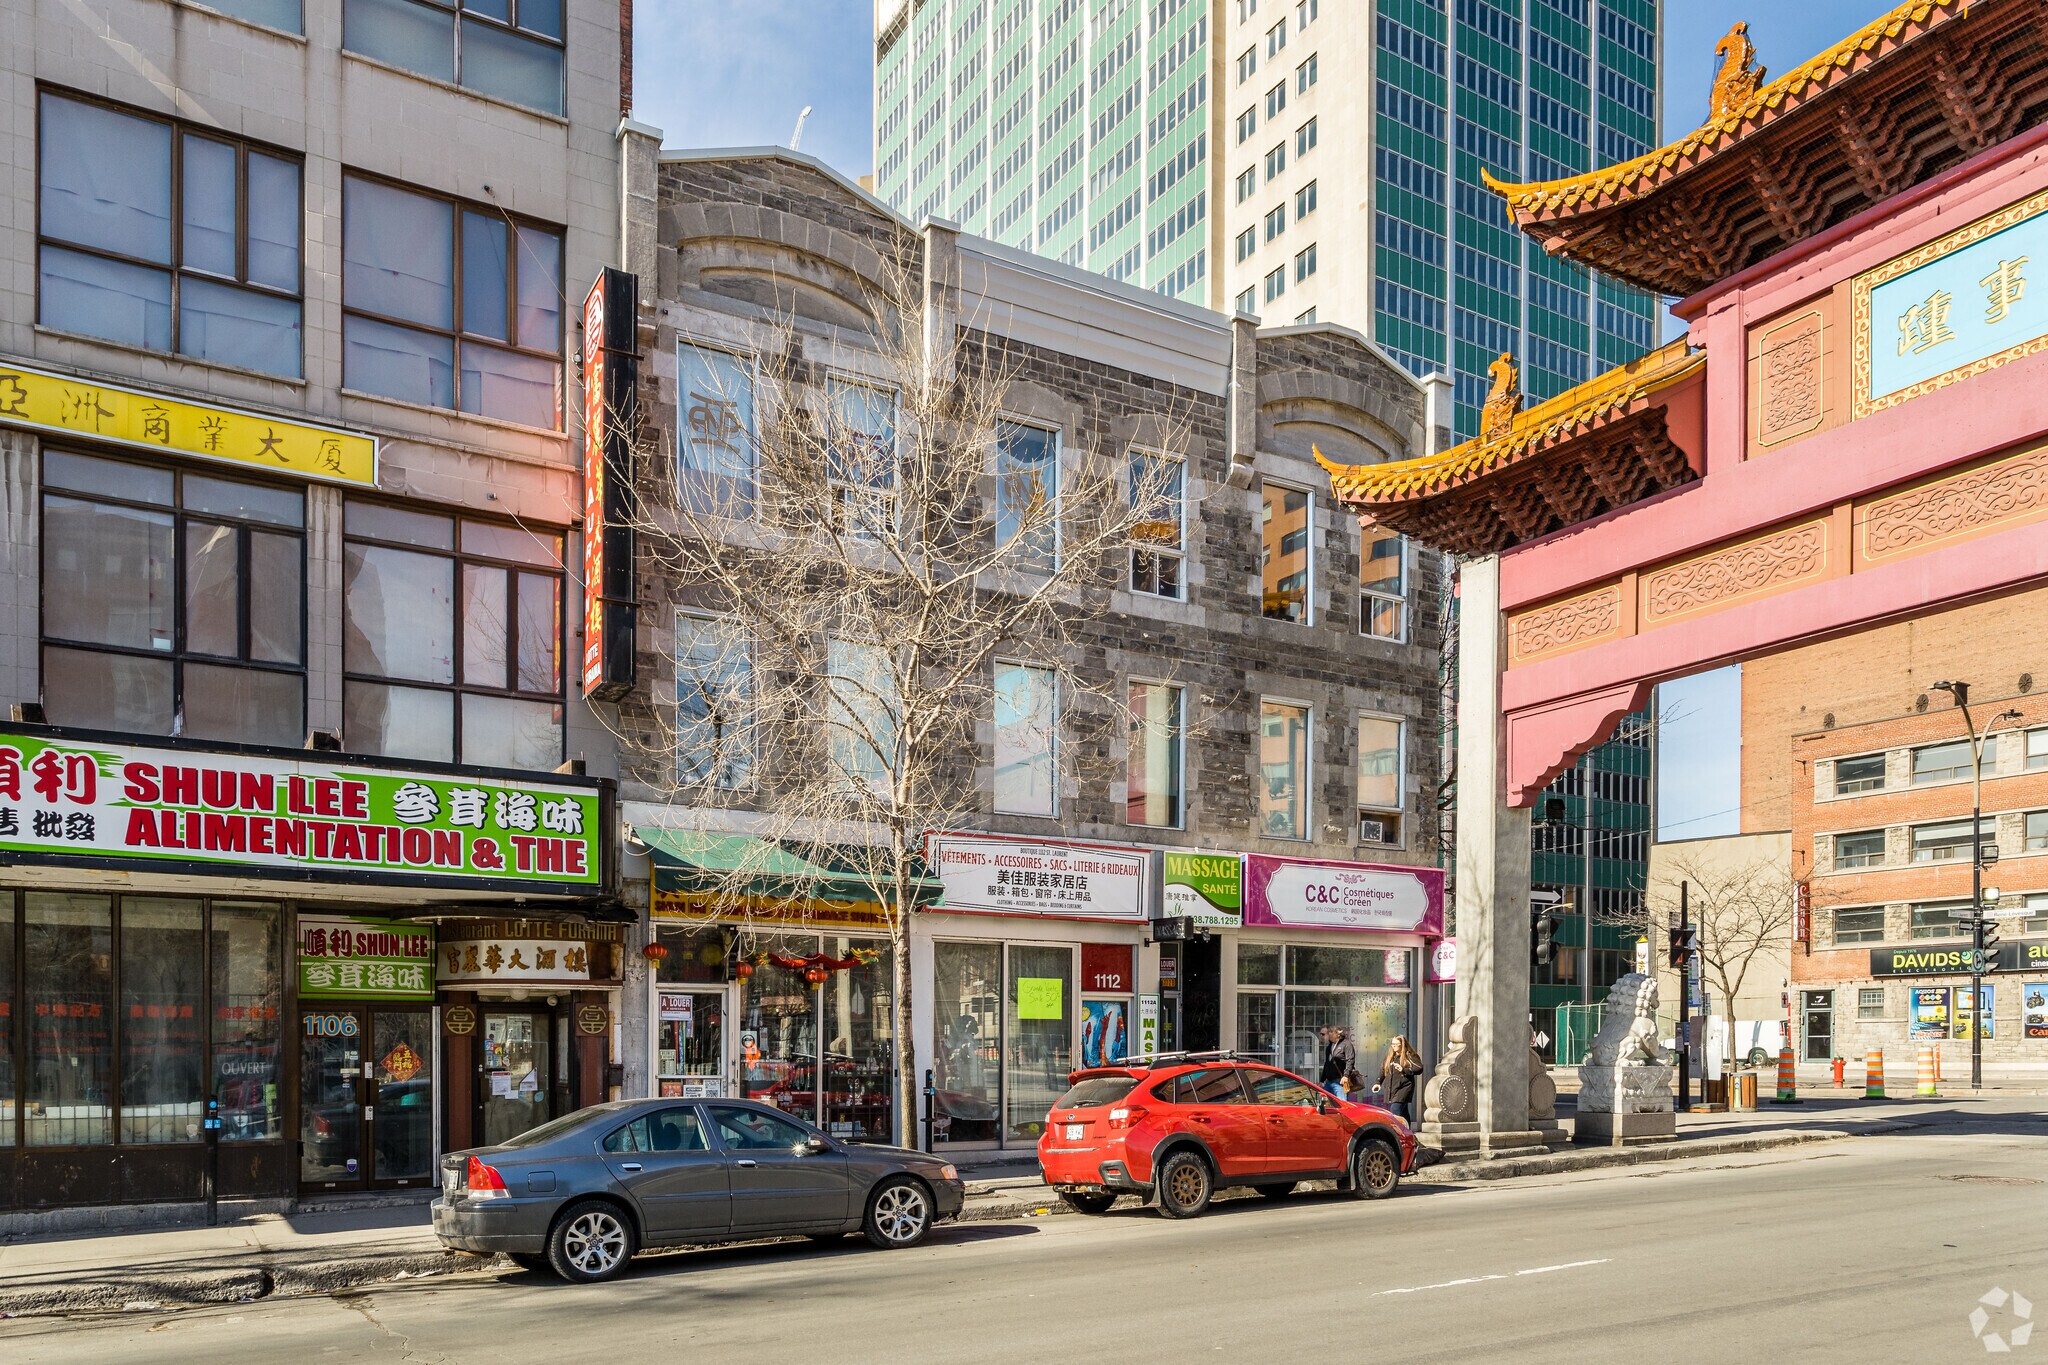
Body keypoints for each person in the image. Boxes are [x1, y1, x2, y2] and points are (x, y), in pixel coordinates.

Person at [1376, 1035, 1424, 1122]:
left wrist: (1404, 1070)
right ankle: (1408, 1132)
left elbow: (1419, 1068)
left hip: (1404, 1087)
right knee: (1403, 1112)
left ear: (1402, 1044)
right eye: (1392, 1044)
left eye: (1396, 1044)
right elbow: (1383, 1070)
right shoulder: (1390, 1056)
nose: (1393, 1046)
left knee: (1395, 1109)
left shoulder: (1410, 1055)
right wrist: (1378, 1082)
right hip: (1393, 1087)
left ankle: (1398, 1132)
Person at [1319, 1025, 1357, 1100]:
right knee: (1324, 1103)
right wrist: (1322, 1080)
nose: (1329, 1034)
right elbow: (1327, 1064)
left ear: (1338, 1034)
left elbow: (1350, 1060)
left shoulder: (1346, 1044)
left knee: (1341, 1103)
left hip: (1339, 1081)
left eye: (1331, 1032)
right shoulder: (1329, 1047)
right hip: (1329, 1081)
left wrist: (1346, 1075)